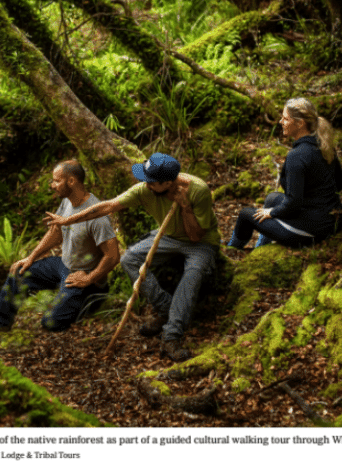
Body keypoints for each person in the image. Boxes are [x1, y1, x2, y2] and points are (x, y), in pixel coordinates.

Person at [44, 153, 220, 362]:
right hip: (168, 236)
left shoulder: (197, 190)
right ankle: (166, 308)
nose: (144, 184)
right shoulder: (146, 189)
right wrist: (68, 220)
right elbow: (108, 206)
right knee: (129, 259)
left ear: (167, 182)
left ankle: (172, 336)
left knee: (192, 276)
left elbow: (196, 235)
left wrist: (185, 207)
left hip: (200, 243)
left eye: (150, 181)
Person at [0, 160, 120, 332]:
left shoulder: (97, 217)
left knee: (51, 322)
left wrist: (90, 278)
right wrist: (31, 258)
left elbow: (113, 256)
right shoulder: (67, 201)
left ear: (71, 181)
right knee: (19, 273)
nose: (52, 185)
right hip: (63, 265)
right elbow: (56, 233)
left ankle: (89, 302)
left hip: (84, 278)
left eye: (57, 181)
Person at [228, 97, 342, 250]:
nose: (280, 122)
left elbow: (293, 203)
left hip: (314, 229)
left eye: (285, 118)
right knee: (272, 198)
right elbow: (341, 183)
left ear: (300, 123)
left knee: (245, 215)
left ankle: (231, 251)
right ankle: (260, 249)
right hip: (334, 219)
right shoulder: (324, 145)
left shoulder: (297, 156)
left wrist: (273, 212)